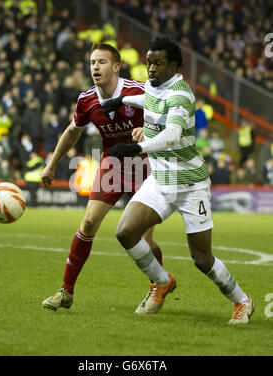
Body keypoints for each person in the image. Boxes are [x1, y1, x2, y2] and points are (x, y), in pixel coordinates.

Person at [102, 36, 254, 324]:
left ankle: (242, 301)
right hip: (160, 179)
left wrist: (136, 148)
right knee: (126, 232)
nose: (151, 68)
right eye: (148, 62)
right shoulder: (154, 85)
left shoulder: (181, 95)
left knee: (202, 259)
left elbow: (171, 135)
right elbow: (146, 96)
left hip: (189, 184)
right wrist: (120, 99)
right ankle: (161, 281)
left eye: (158, 63)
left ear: (174, 65)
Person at [41, 43, 164, 312]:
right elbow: (73, 131)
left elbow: (167, 117)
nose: (95, 67)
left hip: (146, 165)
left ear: (116, 66)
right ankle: (66, 291)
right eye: (92, 62)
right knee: (87, 223)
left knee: (144, 239)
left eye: (101, 62)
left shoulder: (139, 90)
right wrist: (51, 166)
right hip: (113, 165)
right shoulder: (86, 100)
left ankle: (158, 285)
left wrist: (148, 128)